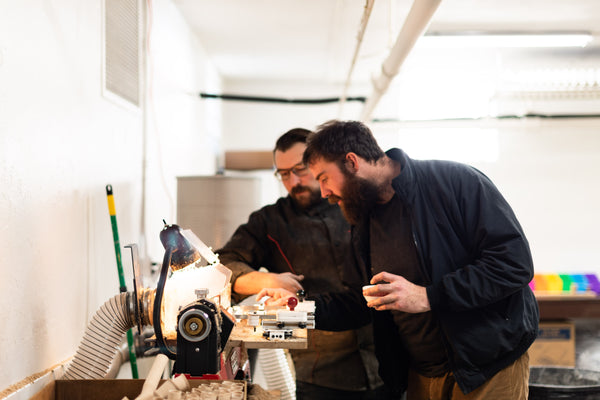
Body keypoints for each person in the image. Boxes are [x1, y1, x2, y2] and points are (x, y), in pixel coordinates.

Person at [259, 120, 539, 399]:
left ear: (352, 162)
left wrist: (429, 296)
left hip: (486, 367)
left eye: (324, 178)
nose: (324, 193)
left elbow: (513, 263)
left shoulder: (455, 182)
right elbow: (361, 301)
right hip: (421, 374)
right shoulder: (363, 219)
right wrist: (298, 310)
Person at [216, 128, 391, 400]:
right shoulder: (270, 222)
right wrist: (266, 280)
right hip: (320, 374)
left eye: (301, 169)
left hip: (387, 363)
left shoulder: (357, 206)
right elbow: (223, 265)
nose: (293, 181)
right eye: (284, 174)